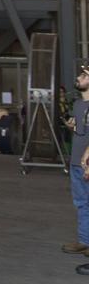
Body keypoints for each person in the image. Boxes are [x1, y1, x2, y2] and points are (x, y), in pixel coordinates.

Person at [63, 63, 89, 257]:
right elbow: (81, 131)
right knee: (81, 202)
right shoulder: (79, 105)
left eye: (84, 75)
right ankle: (84, 240)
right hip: (75, 162)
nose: (79, 78)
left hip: (86, 162)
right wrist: (71, 125)